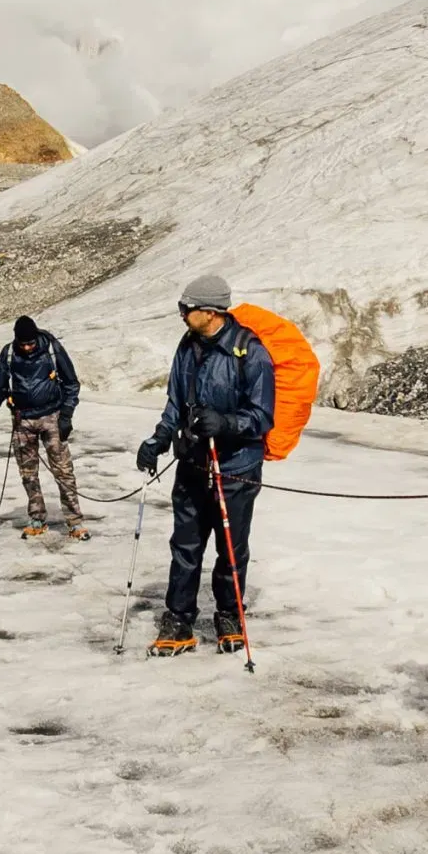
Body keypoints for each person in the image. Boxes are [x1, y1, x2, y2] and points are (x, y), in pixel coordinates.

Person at [135, 275, 274, 656]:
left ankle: (229, 614)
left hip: (236, 469)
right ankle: (179, 620)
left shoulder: (251, 352)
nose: (181, 313)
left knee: (231, 548)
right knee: (185, 545)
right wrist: (158, 440)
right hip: (194, 463)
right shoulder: (188, 347)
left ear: (209, 312)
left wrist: (227, 423)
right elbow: (176, 404)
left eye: (187, 308)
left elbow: (263, 416)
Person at [0, 314, 85, 538]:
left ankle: (75, 522)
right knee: (28, 473)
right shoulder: (9, 354)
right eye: (24, 344)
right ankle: (37, 518)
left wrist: (66, 415)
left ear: (36, 337)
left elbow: (71, 383)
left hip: (52, 417)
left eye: (30, 343)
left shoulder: (51, 349)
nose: (28, 348)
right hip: (22, 420)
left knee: (63, 471)